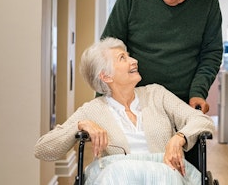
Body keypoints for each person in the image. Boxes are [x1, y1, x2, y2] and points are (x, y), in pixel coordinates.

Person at [34, 37, 214, 184]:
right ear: (106, 76)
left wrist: (178, 138)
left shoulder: (156, 94)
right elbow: (42, 149)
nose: (134, 61)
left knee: (167, 176)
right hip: (117, 177)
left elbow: (203, 121)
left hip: (165, 175)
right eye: (123, 58)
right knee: (118, 174)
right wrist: (80, 125)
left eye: (129, 56)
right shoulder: (94, 109)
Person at [101, 0, 223, 114]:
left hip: (182, 102)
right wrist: (101, 101)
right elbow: (108, 50)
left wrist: (198, 92)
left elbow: (212, 52)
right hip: (133, 101)